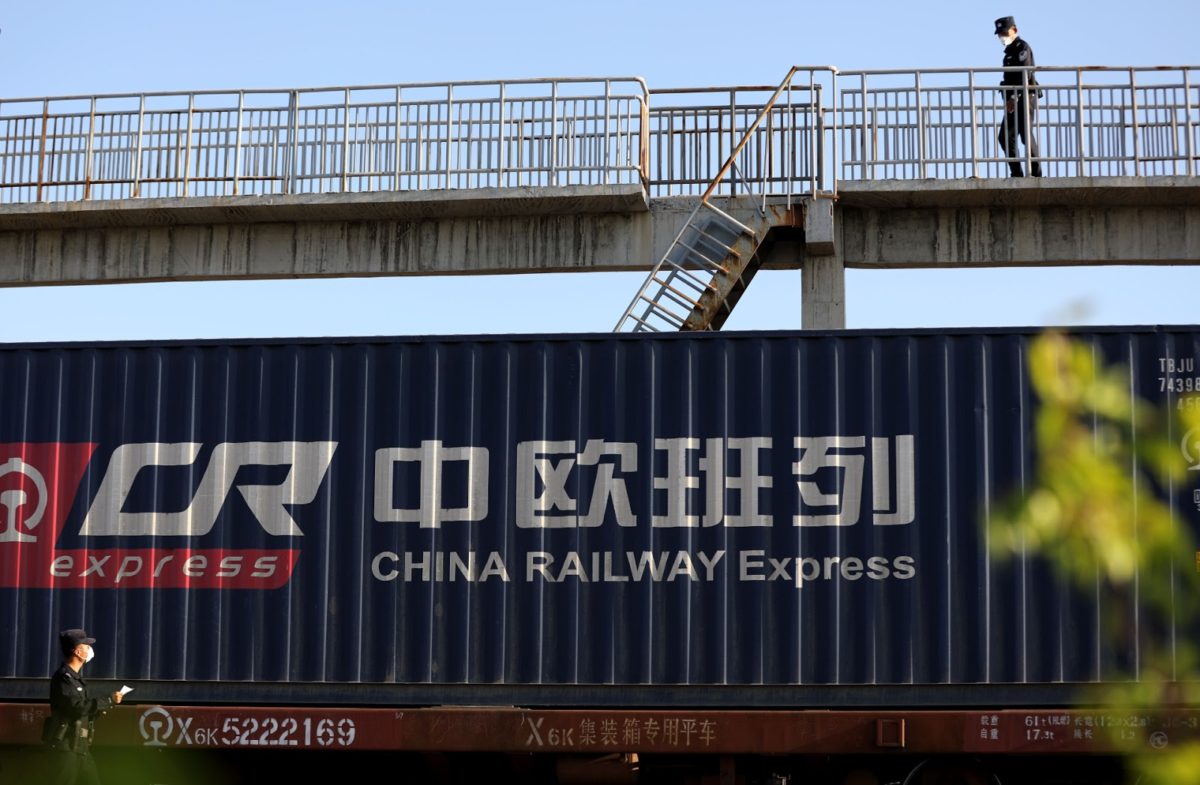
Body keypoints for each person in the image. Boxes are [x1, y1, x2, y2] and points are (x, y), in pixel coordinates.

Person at [42, 629, 123, 785]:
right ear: (77, 652)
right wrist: (107, 700)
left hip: (80, 747)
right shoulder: (63, 678)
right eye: (86, 645)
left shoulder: (76, 679)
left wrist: (100, 708)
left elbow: (82, 712)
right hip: (66, 747)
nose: (89, 649)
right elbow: (76, 707)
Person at [995, 16, 1042, 177]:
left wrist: (1014, 98)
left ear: (1014, 30)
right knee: (1005, 137)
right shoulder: (1008, 53)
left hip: (1024, 97)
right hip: (1011, 101)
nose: (1002, 37)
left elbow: (1025, 74)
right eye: (1000, 34)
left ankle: (1036, 173)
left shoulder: (1022, 47)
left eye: (1004, 32)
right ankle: (1017, 173)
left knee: (1025, 134)